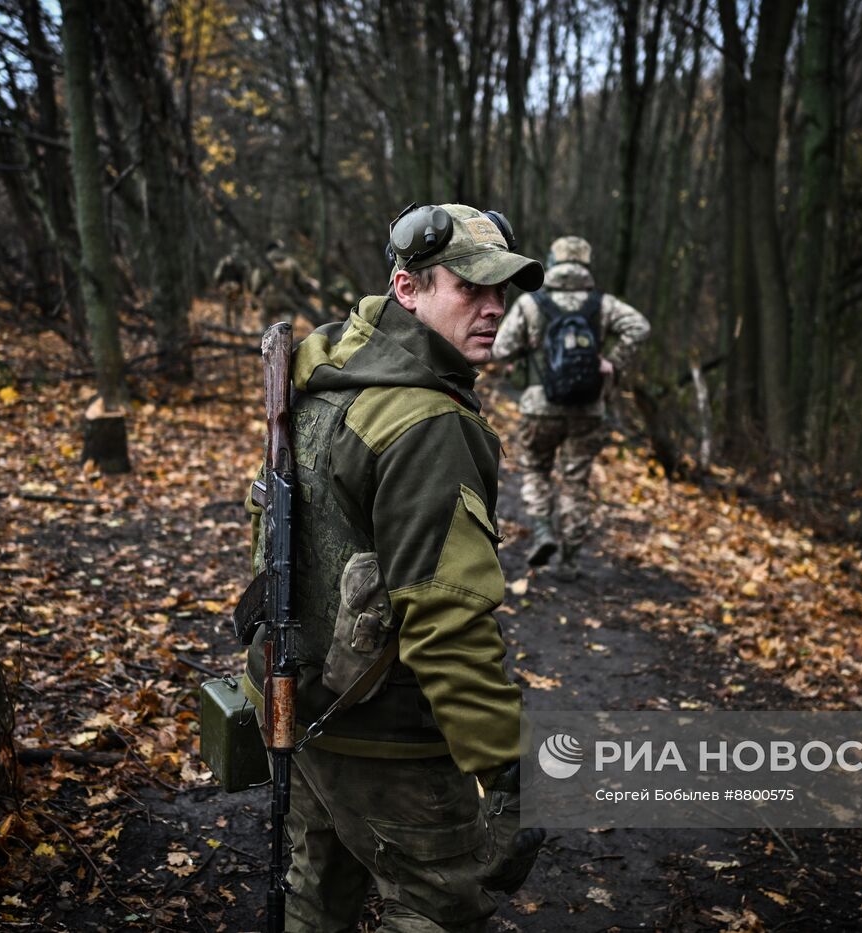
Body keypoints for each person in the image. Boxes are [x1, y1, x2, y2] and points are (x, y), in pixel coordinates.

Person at [242, 204, 547, 932]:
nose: (494, 306)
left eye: (501, 289)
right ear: (406, 288)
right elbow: (445, 618)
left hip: (296, 698)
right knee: (438, 907)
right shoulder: (426, 423)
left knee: (318, 898)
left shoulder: (326, 372)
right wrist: (503, 762)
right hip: (385, 733)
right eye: (469, 288)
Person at [492, 234, 651, 582]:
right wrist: (613, 362)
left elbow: (501, 348)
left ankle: (543, 529)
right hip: (588, 406)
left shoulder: (532, 303)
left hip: (539, 404)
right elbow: (639, 327)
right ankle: (569, 558)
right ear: (585, 264)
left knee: (536, 468)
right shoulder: (602, 304)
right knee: (576, 480)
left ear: (553, 261)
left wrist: (525, 354)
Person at [213, 249, 246, 329]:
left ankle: (232, 328)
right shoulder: (238, 263)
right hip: (232, 289)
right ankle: (233, 328)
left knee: (231, 309)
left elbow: (218, 277)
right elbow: (242, 277)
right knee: (233, 310)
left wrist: (219, 286)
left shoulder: (228, 264)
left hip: (231, 289)